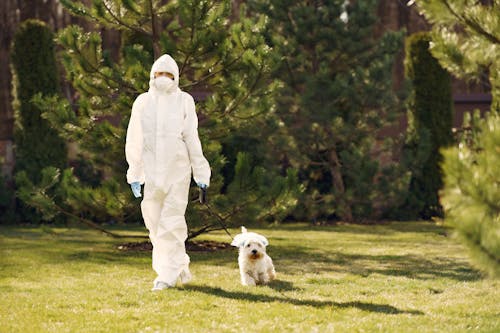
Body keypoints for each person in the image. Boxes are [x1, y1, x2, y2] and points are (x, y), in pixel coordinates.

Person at [125, 54, 211, 291]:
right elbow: (134, 139)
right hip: (152, 173)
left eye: (169, 74)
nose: (164, 78)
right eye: (159, 74)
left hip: (177, 171)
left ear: (176, 77)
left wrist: (201, 175)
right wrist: (135, 173)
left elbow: (192, 138)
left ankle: (166, 276)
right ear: (152, 76)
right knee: (154, 225)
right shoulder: (142, 102)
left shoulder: (184, 101)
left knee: (171, 224)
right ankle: (179, 264)